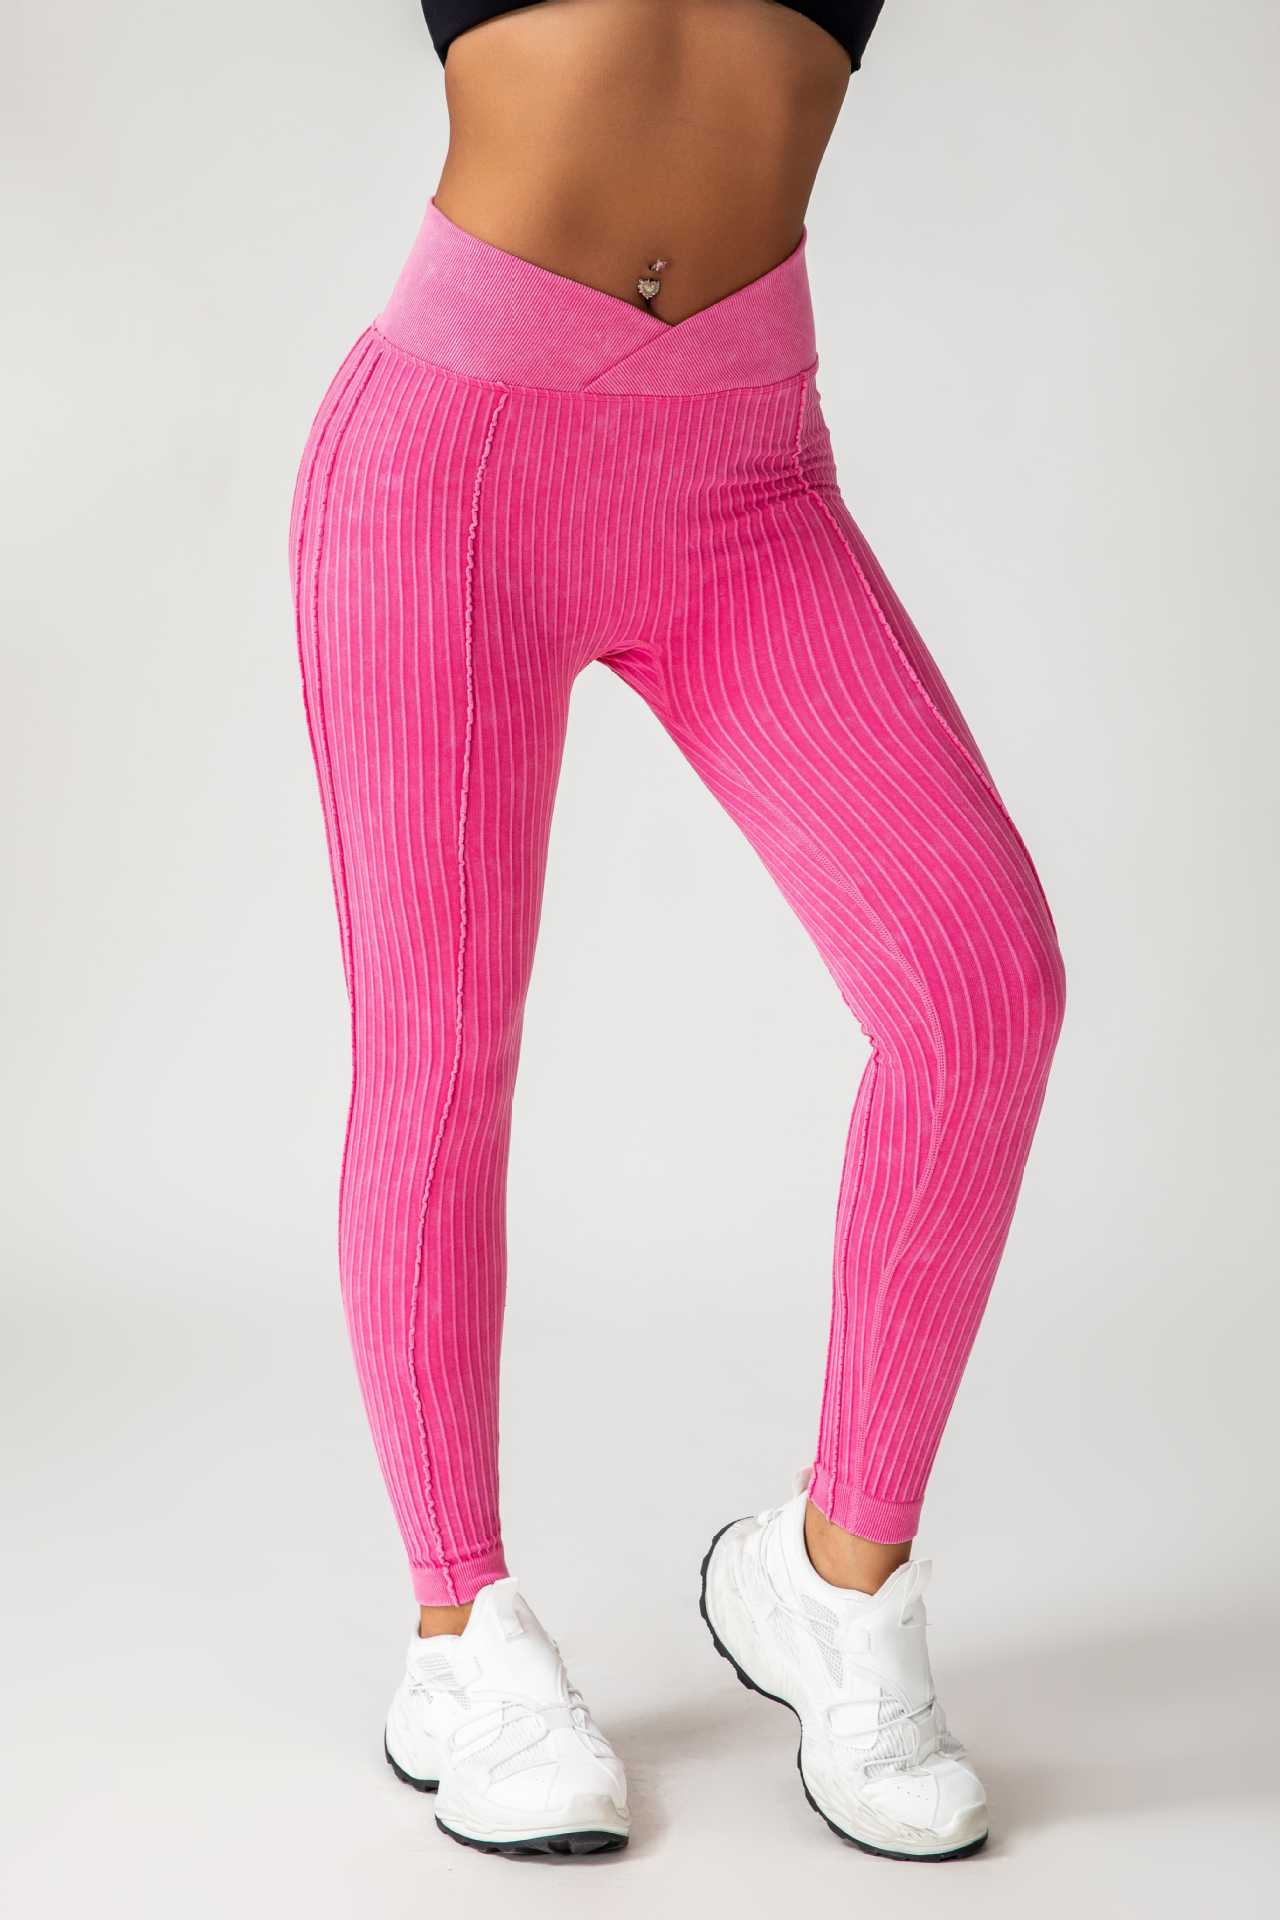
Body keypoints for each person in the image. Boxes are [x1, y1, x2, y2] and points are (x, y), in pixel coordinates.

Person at [289, 0, 1065, 1864]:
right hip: (449, 464)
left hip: (744, 473)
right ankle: (460, 1635)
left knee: (983, 990)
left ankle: (834, 1584)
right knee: (438, 1052)